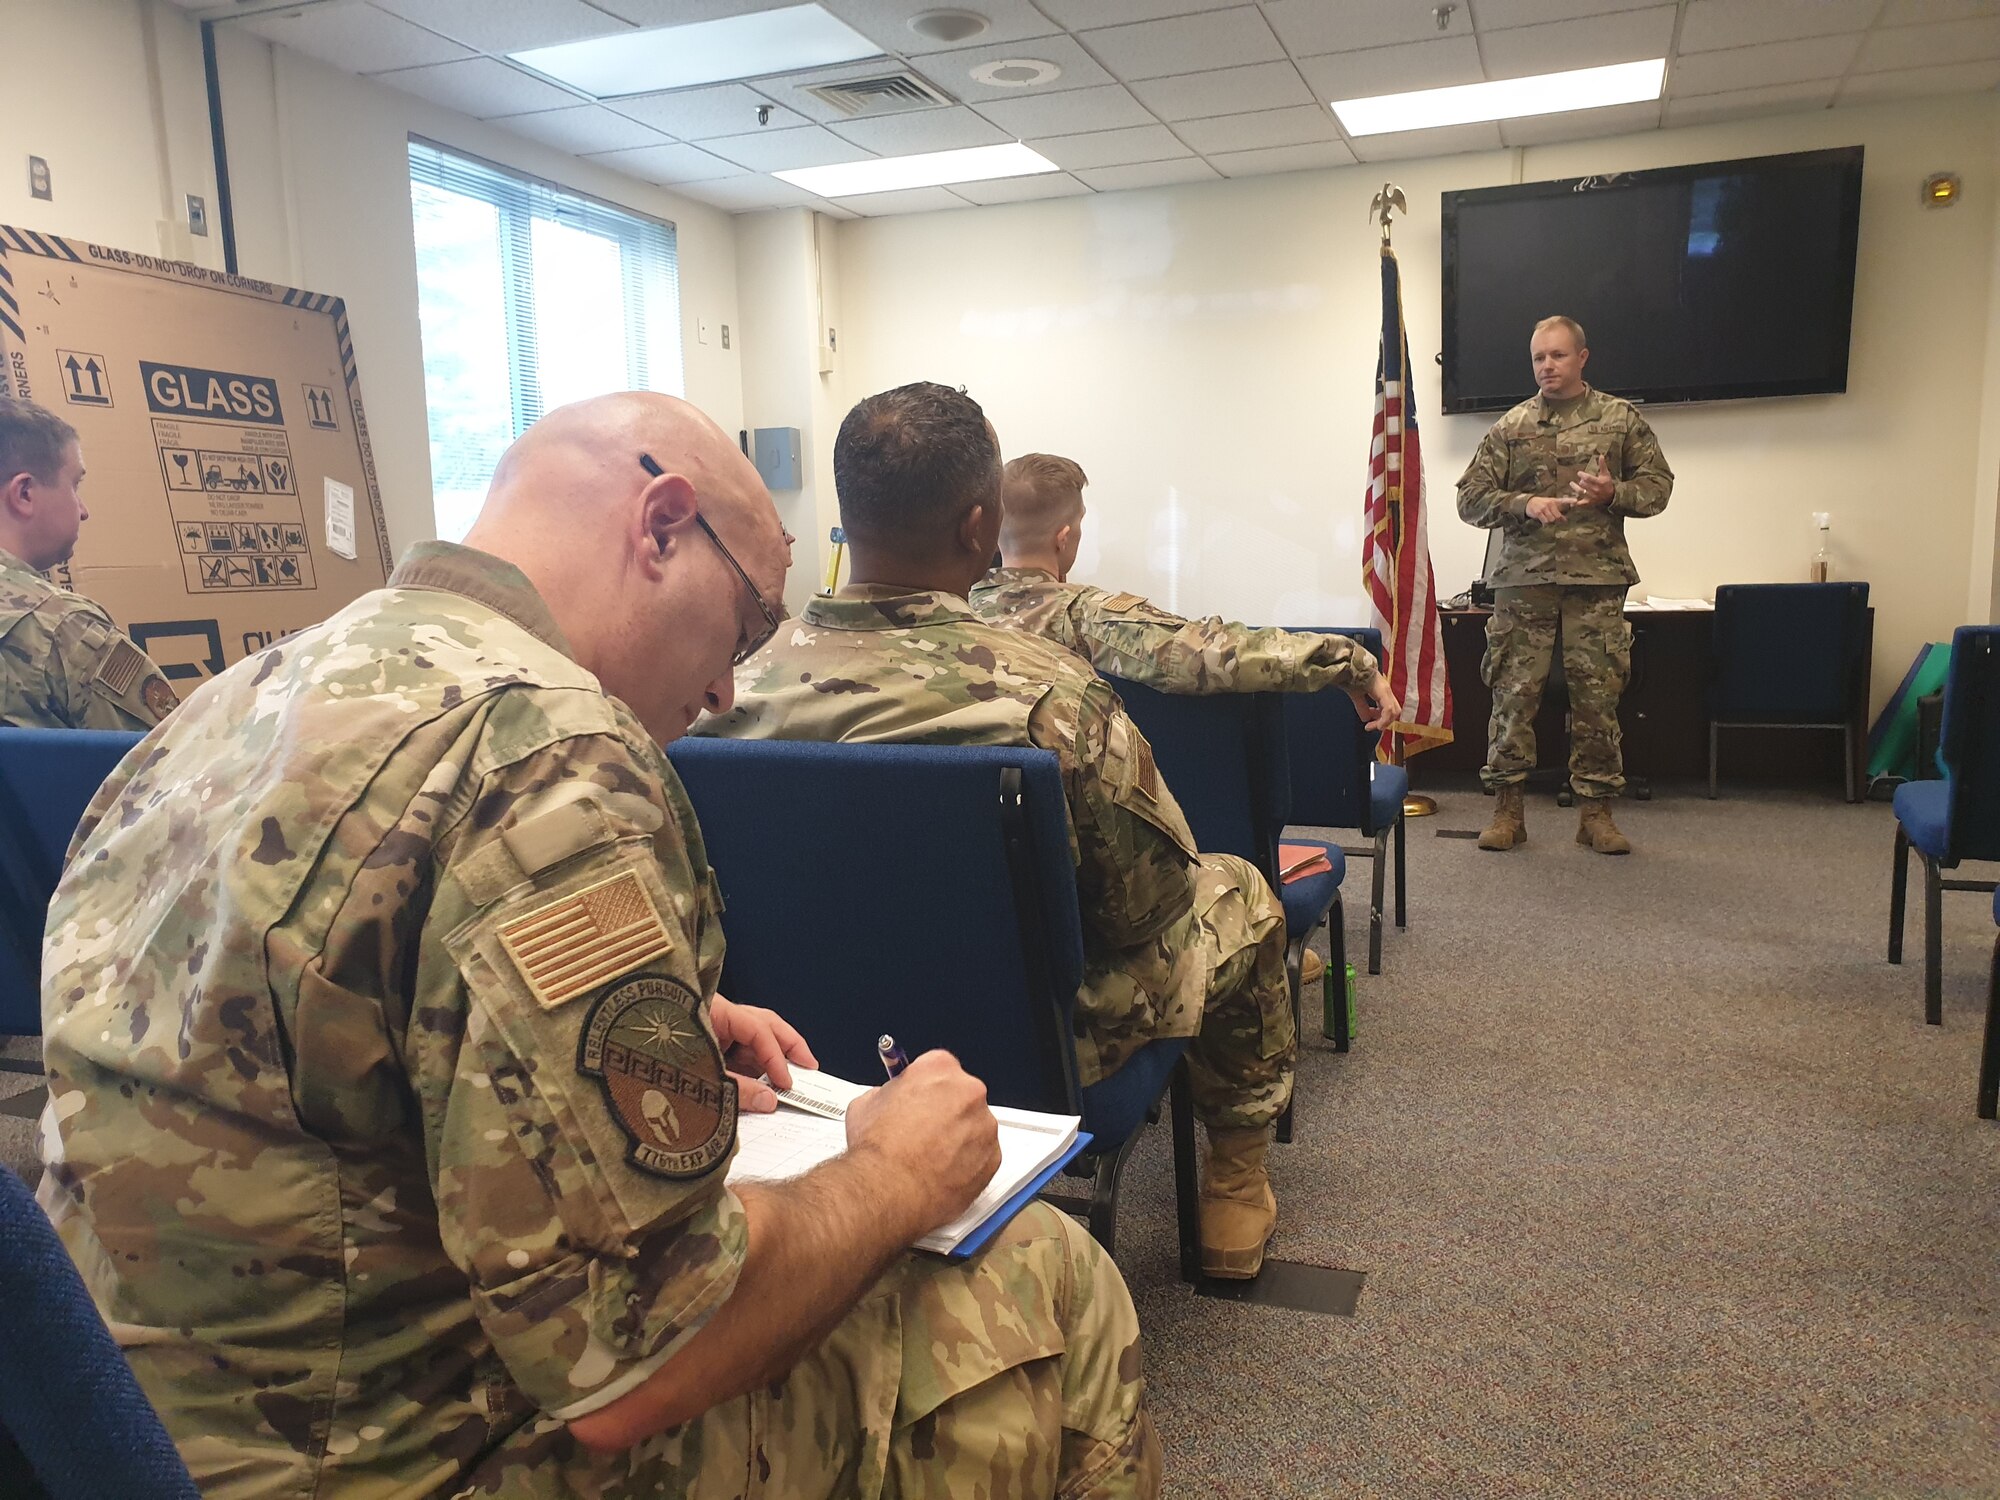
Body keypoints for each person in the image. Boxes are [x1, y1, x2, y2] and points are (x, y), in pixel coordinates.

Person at [39, 392, 1159, 1499]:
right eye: (747, 622)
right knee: (1053, 1277)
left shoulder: (231, 702)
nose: (727, 686)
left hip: (148, 1430)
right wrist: (893, 1174)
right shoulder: (543, 752)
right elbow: (639, 1362)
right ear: (662, 524)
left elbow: (293, 1024)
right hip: (407, 1460)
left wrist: (633, 1020)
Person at [698, 383, 1296, 1281]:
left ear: (845, 515)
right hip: (1034, 1052)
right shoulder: (1048, 696)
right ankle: (1234, 1192)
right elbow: (1150, 906)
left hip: (793, 1049)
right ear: (980, 529)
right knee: (1239, 890)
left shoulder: (723, 690)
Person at [1456, 316, 1673, 855]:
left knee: (1597, 700)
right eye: (1538, 358)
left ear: (1582, 358)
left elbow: (1658, 488)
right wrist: (1523, 503)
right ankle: (1508, 811)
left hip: (1596, 583)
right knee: (1513, 696)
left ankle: (1595, 814)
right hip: (1523, 584)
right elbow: (1469, 498)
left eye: (1556, 356)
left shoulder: (1620, 420)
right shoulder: (1511, 426)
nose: (1546, 367)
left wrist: (1613, 493)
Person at [971, 452, 1401, 723]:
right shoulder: (1084, 616)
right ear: (1064, 538)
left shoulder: (955, 607)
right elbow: (1215, 654)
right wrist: (1351, 662)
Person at [0, 396, 177, 729]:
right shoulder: (61, 629)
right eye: (74, 484)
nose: (83, 510)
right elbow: (170, 760)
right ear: (24, 493)